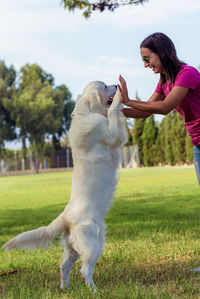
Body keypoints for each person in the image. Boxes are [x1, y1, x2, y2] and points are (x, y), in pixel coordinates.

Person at [117, 32, 200, 187]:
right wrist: (115, 111)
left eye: (147, 59)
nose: (145, 64)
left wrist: (128, 101)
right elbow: (145, 112)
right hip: (197, 142)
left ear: (162, 53)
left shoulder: (187, 74)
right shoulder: (164, 82)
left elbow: (164, 107)